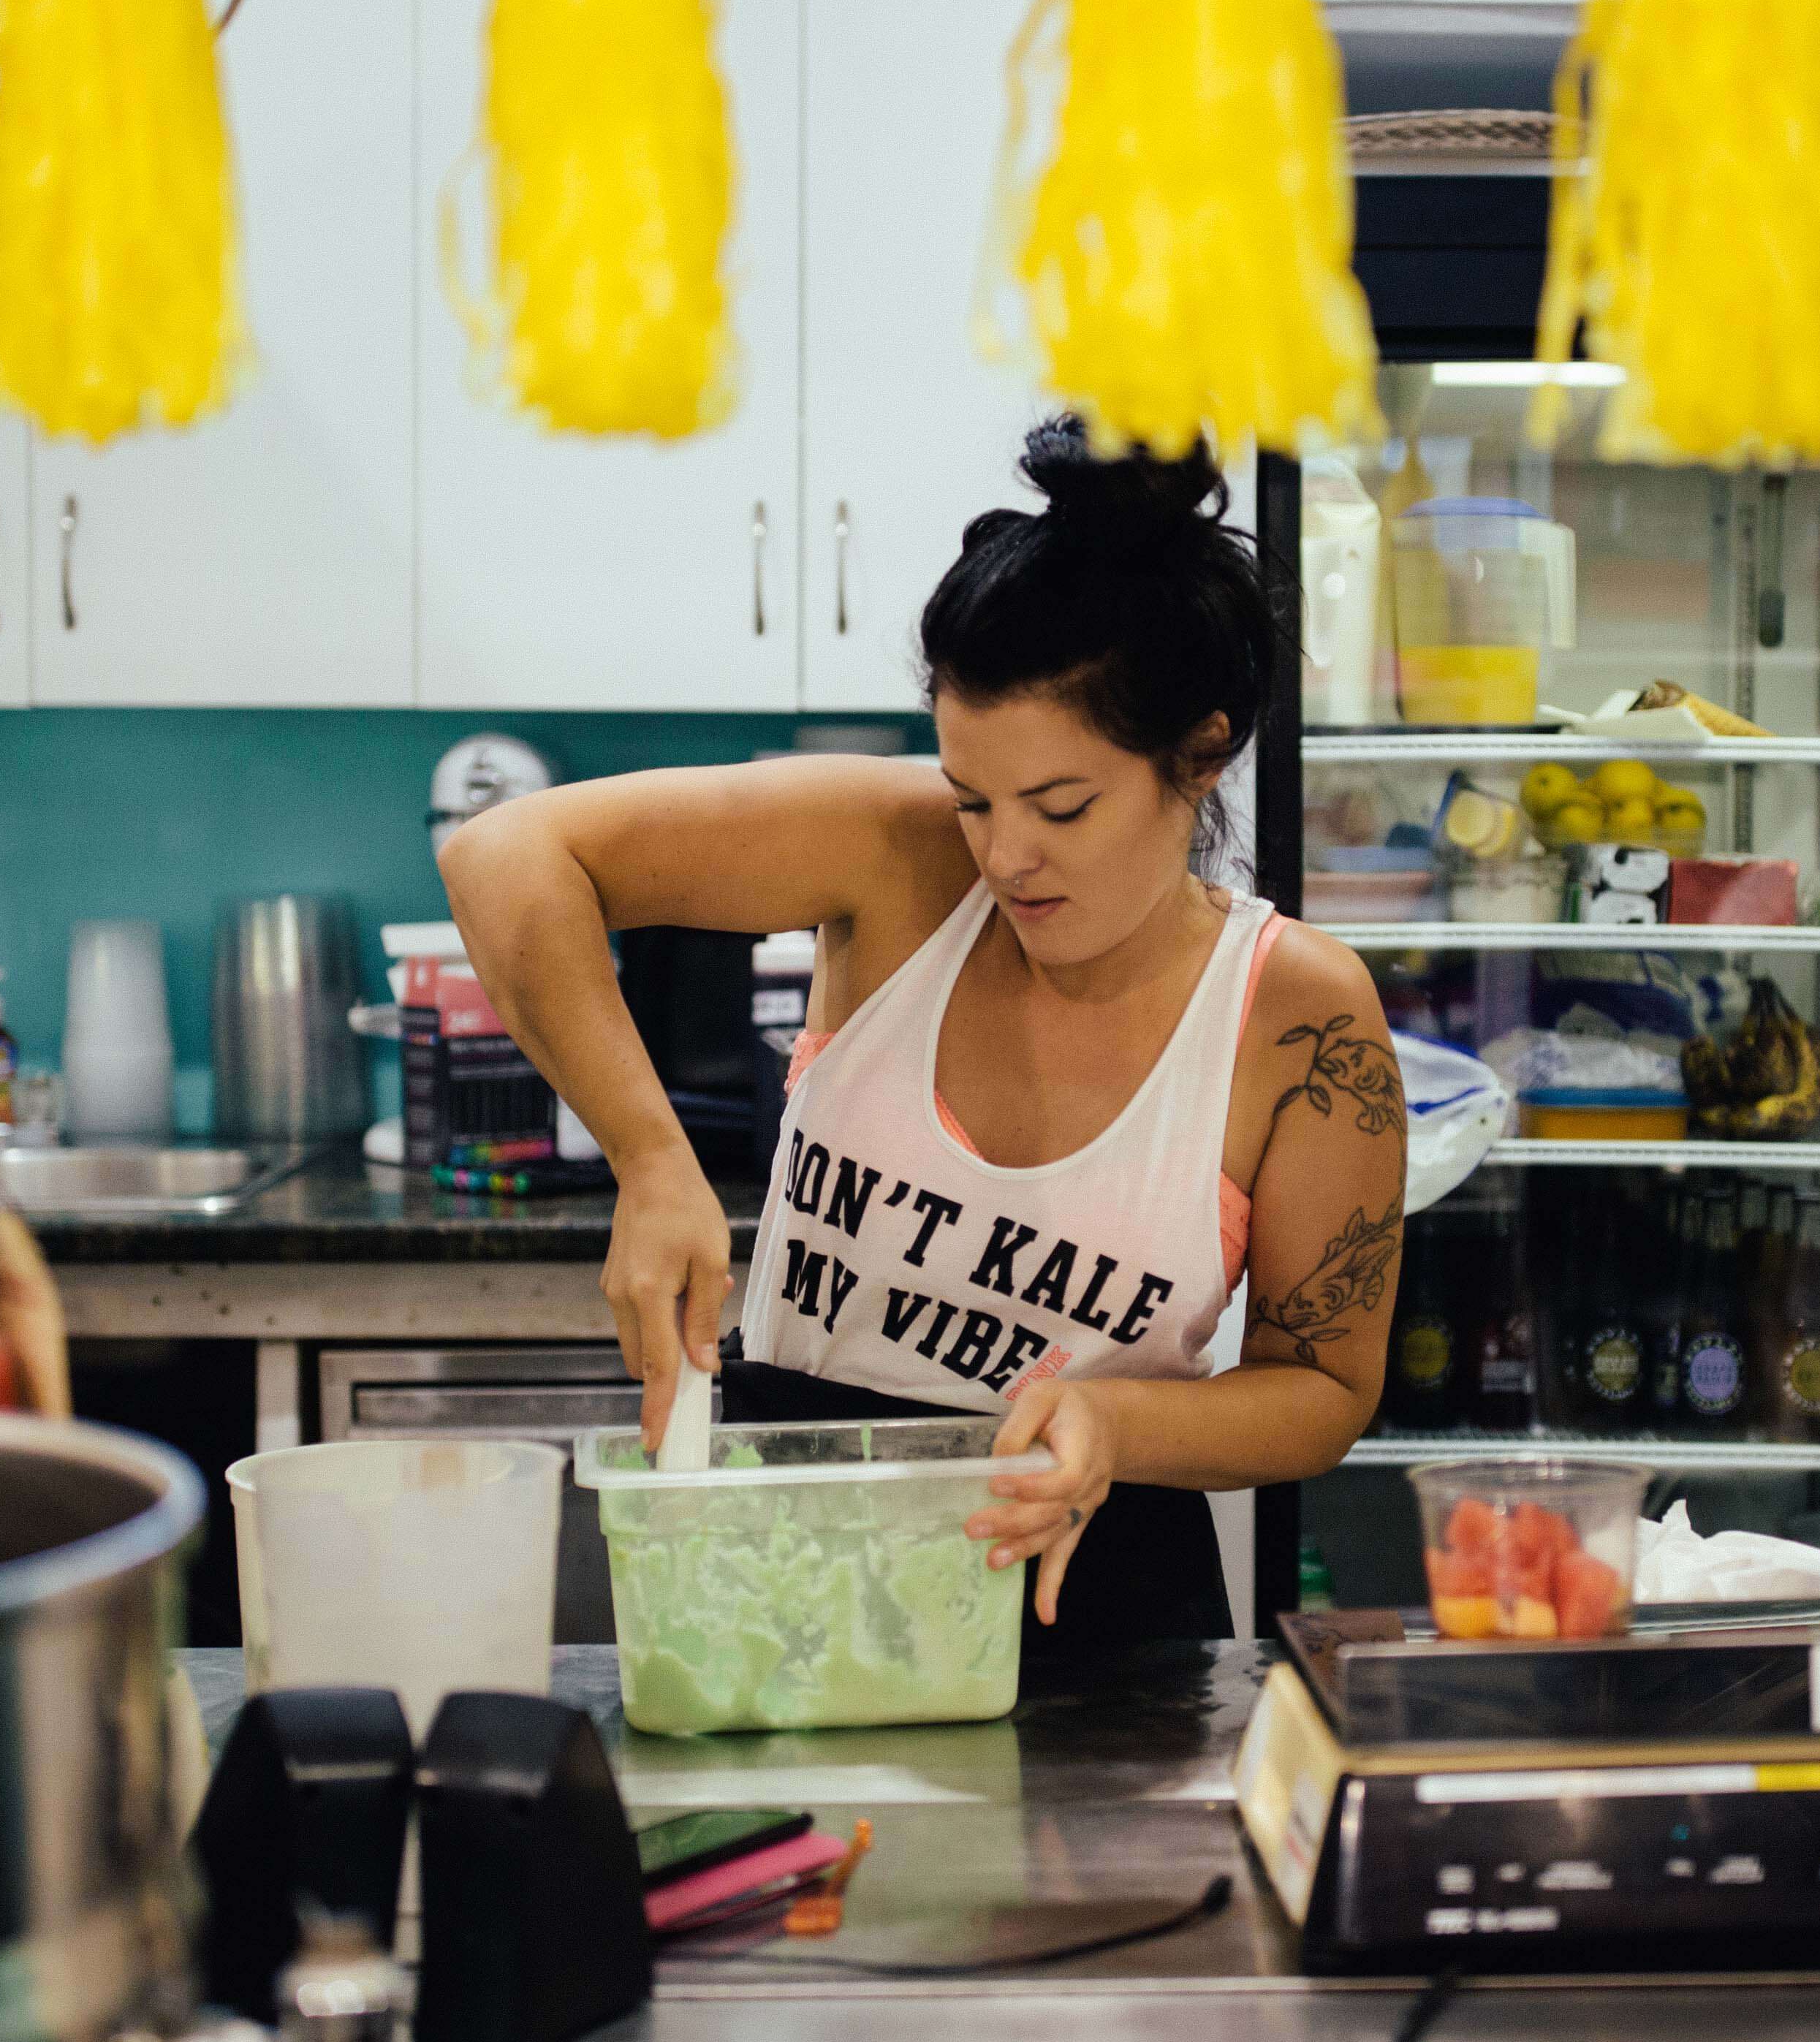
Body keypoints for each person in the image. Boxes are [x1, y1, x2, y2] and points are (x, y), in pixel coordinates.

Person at [438, 424, 1408, 1652]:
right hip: (786, 1557)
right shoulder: (898, 853)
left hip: (1091, 1600)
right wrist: (650, 1159)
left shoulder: (1300, 1018)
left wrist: (1116, 1426)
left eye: (1062, 806)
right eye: (973, 798)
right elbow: (506, 856)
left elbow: (1322, 1388)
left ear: (1201, 753)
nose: (1003, 856)